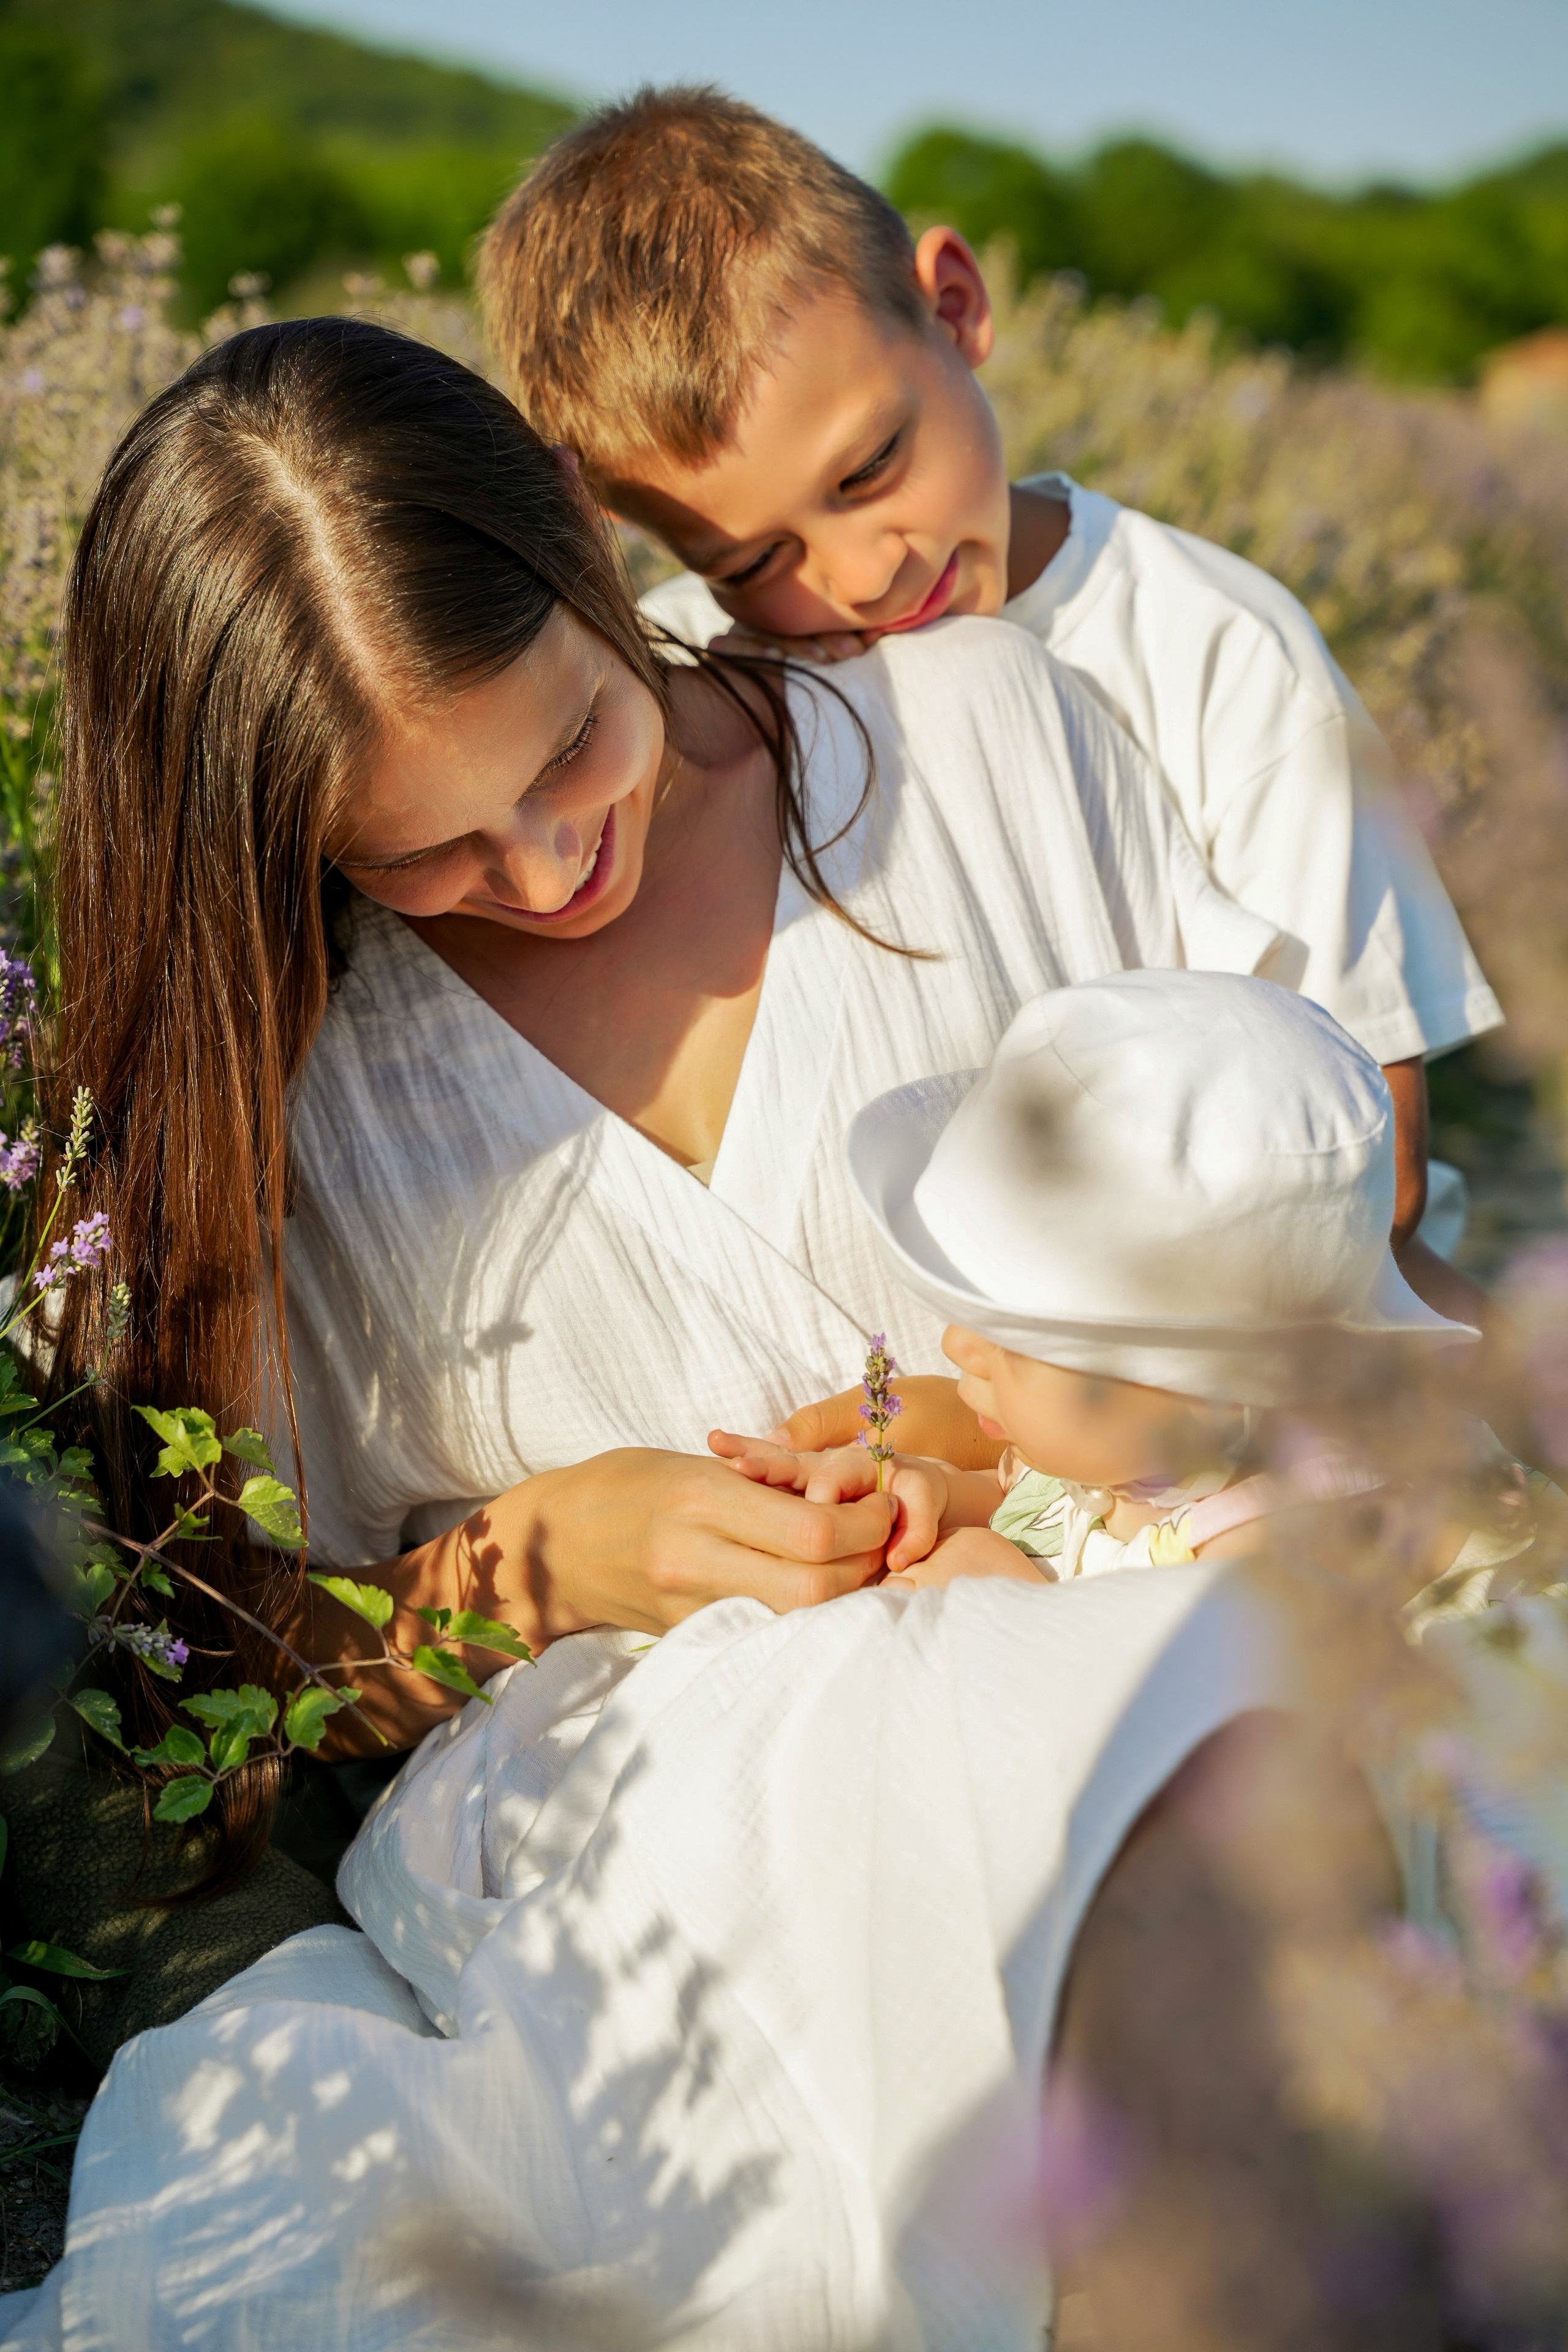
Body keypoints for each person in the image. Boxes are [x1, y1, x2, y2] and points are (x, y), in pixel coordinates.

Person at [0, 319, 1432, 2348]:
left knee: (1212, 1809)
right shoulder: (271, 1090)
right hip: (651, 1818)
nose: (555, 865)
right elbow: (228, 1687)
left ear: (597, 555)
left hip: (1138, 1594)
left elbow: (1298, 1225)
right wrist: (534, 1567)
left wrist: (1020, 1426)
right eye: (426, 851)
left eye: (575, 746)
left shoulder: (984, 746)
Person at [478, 86, 1501, 1349]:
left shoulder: (1215, 653)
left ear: (954, 308)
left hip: (1274, 1343)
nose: (858, 575)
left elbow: (1377, 1161)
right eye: (753, 560)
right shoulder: (696, 670)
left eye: (867, 471)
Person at [714, 970, 1504, 1596]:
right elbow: (1075, 1524)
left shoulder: (1283, 1542)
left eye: (1018, 1339)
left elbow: (1197, 1740)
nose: (960, 1347)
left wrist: (1021, 1612)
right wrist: (933, 1497)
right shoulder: (1128, 1457)